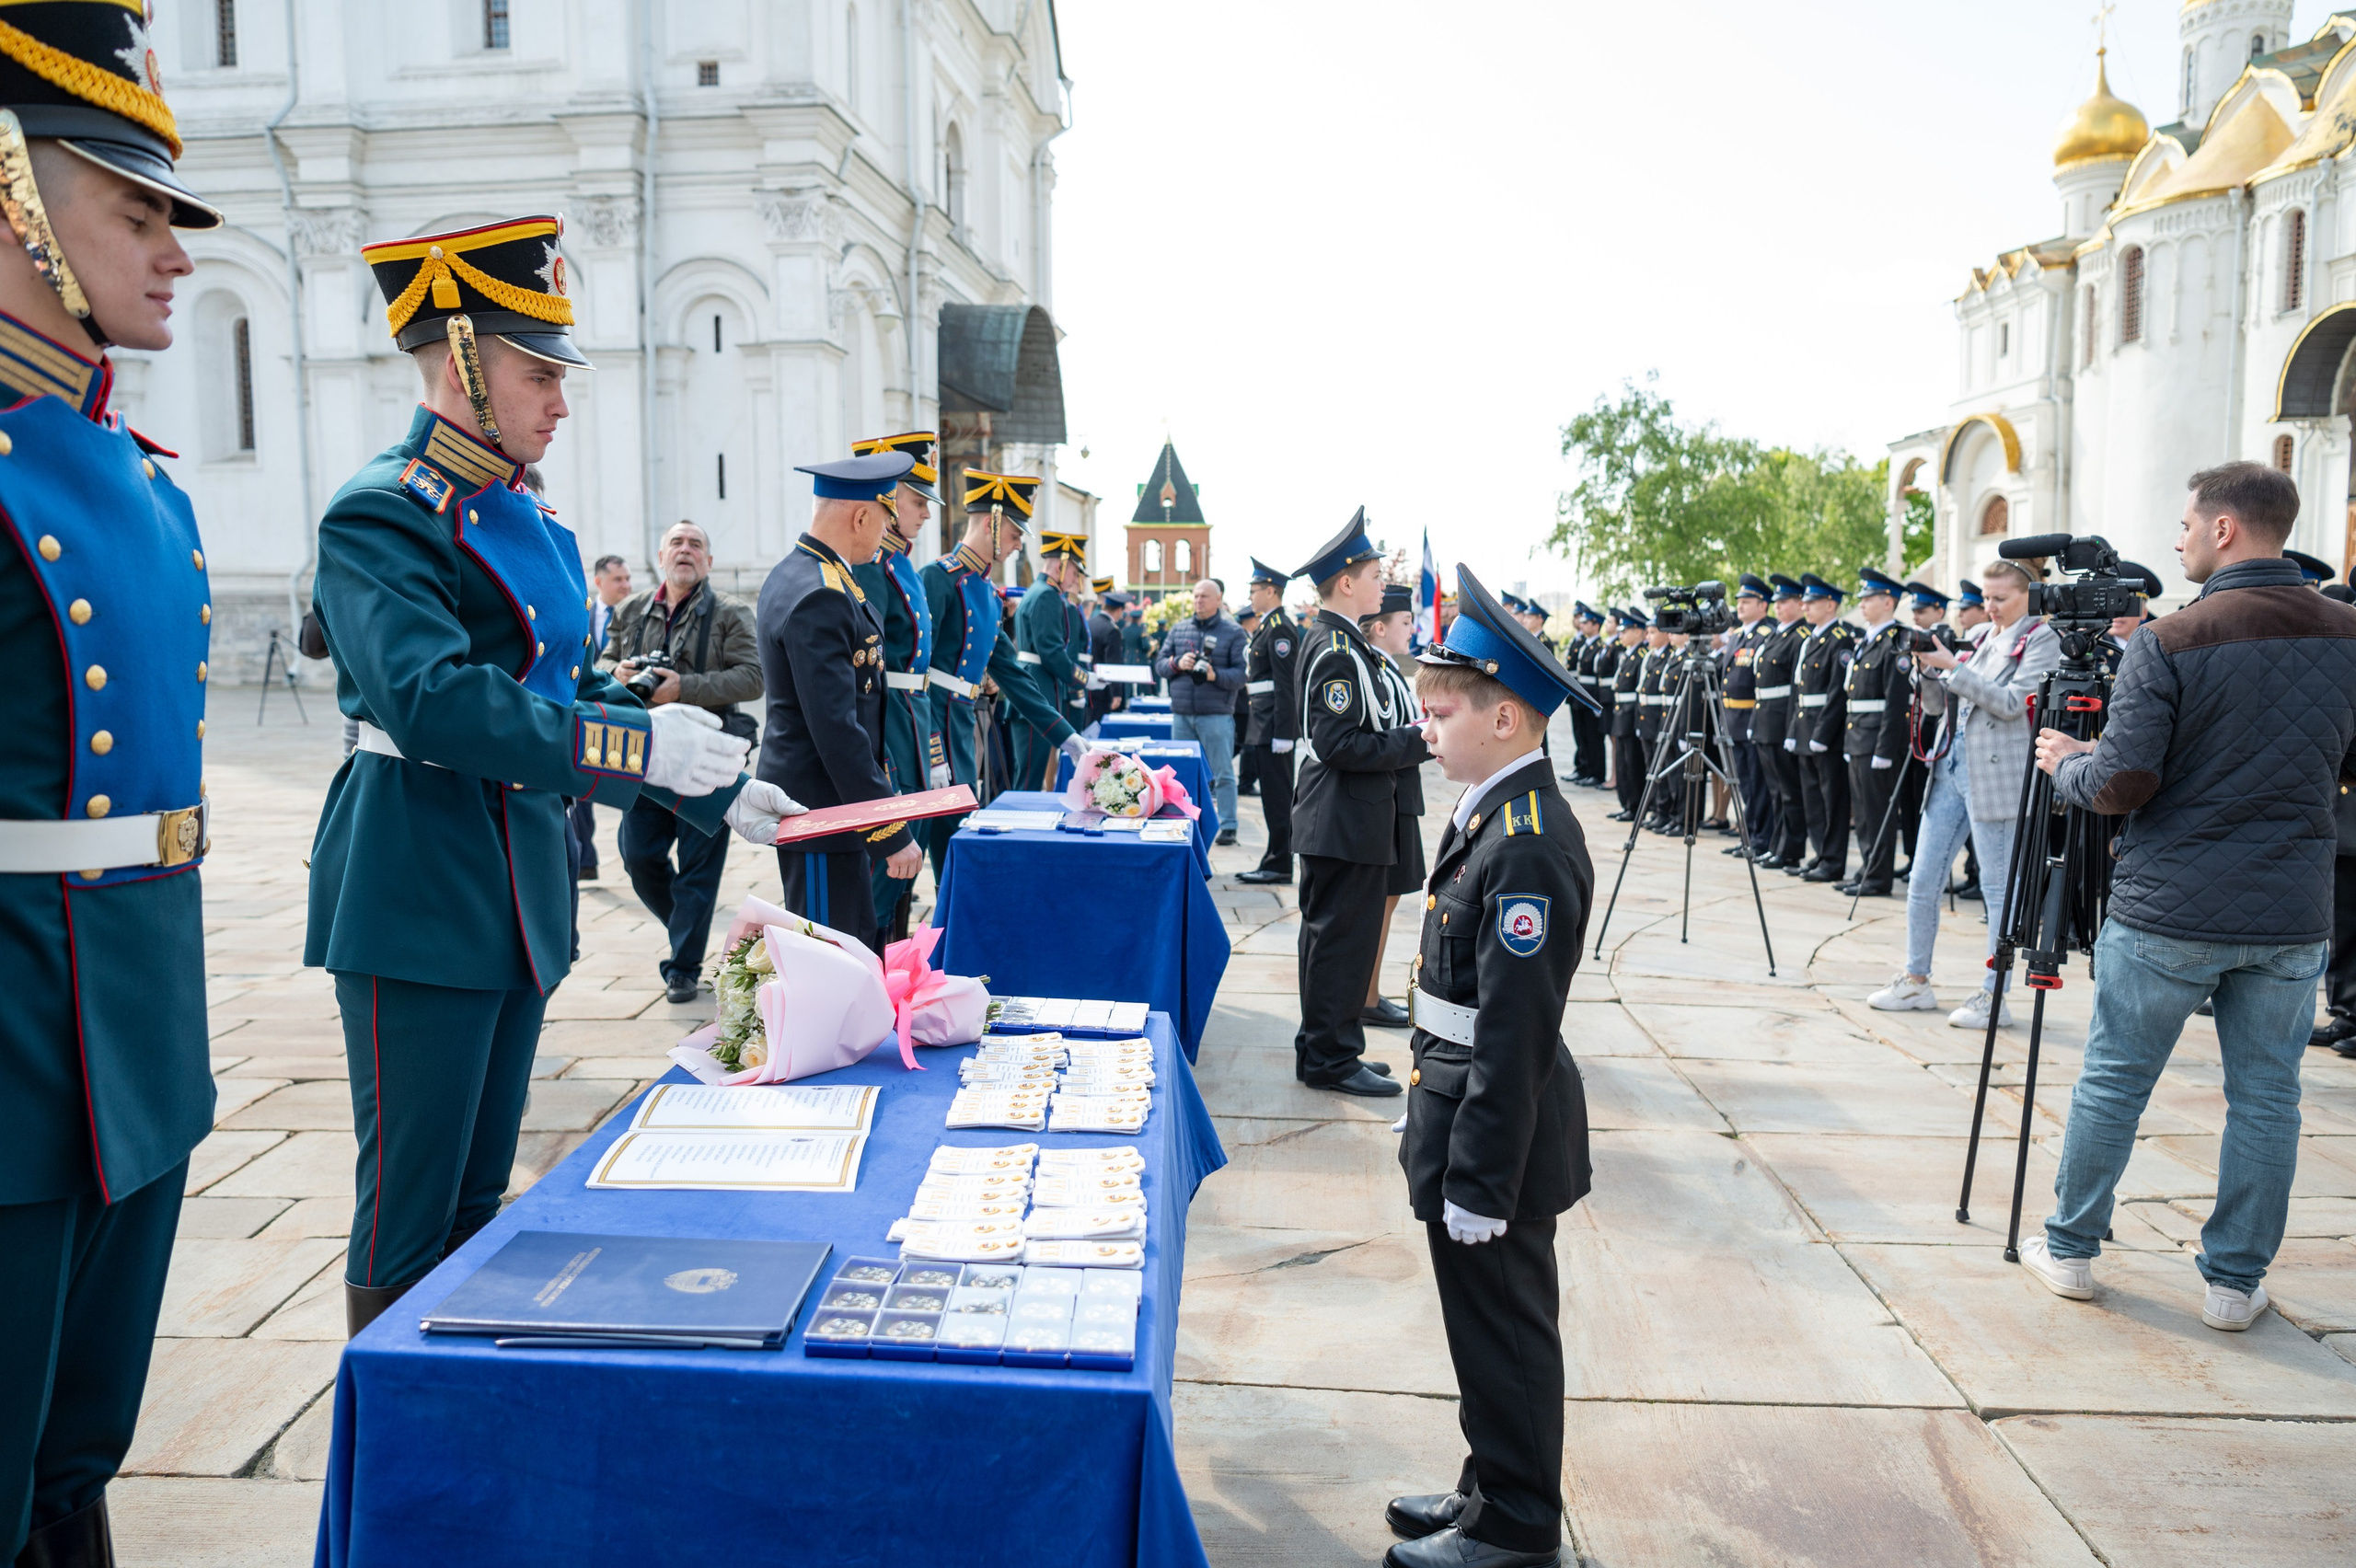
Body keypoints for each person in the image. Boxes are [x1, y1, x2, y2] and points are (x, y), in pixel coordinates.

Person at [312, 216, 793, 1340]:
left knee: (480, 1193)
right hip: (418, 877)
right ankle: (391, 1422)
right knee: (410, 1200)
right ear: (464, 362)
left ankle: (460, 1395)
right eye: (540, 373)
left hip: (515, 881)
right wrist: (634, 754)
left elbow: (569, 692)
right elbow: (429, 702)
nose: (562, 400)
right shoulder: (383, 510)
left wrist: (718, 786)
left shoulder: (524, 513)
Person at [0, 30, 224, 1561]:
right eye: (134, 216)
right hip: (11, 1035)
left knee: (77, 1462)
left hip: (134, 1018)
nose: (173, 258)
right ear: (14, 197)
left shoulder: (140, 475)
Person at [2024, 462, 2356, 1332]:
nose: (2175, 540)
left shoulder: (2170, 640)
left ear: (2224, 530)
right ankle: (2234, 1284)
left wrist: (2066, 765)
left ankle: (2070, 1252)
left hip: (2172, 907)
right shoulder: (2350, 633)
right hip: (2288, 912)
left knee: (2114, 1083)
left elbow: (2123, 782)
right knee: (2267, 1097)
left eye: (2184, 524)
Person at [1386, 565, 1591, 1568]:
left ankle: (1516, 1528)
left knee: (1507, 1335)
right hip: (1460, 1110)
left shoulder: (1529, 844)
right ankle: (1485, 1488)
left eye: (1439, 715)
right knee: (1481, 1334)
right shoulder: (1487, 813)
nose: (1426, 730)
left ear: (1503, 719)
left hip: (1494, 1138)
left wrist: (1477, 1175)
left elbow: (1514, 1033)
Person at [1865, 558, 2057, 1024]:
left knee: (1997, 889)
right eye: (1985, 598)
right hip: (1951, 766)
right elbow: (1938, 708)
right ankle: (1915, 981)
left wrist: (1953, 667)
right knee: (1922, 878)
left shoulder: (2041, 638)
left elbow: (2014, 704)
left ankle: (1995, 995)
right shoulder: (1980, 637)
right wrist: (1929, 672)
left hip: (1996, 775)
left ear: (2027, 597)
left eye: (1999, 599)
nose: (1988, 607)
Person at [756, 454, 934, 951]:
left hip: (832, 807)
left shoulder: (803, 573)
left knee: (851, 948)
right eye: (883, 520)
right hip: (822, 809)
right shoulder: (822, 593)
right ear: (861, 516)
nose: (884, 535)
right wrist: (890, 829)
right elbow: (837, 729)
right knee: (829, 958)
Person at [600, 520, 764, 1001]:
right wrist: (618, 671)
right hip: (648, 756)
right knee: (639, 856)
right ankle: (686, 928)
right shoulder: (631, 610)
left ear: (708, 561)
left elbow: (753, 679)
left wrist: (683, 687)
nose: (686, 550)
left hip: (709, 756)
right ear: (661, 555)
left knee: (699, 866)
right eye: (677, 543)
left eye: (696, 545)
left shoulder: (732, 612)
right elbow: (599, 667)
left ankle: (684, 967)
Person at [1290, 511, 1423, 1097]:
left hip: (1350, 818)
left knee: (1339, 941)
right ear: (1346, 583)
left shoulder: (1348, 644)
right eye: (1373, 574)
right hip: (1342, 817)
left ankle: (1334, 1050)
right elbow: (1337, 743)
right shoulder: (1335, 650)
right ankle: (1328, 1059)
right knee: (1339, 944)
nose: (1380, 583)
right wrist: (1420, 740)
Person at [919, 474, 1083, 877]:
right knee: (905, 866)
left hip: (959, 728)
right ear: (991, 522)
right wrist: (932, 748)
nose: (1016, 544)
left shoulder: (989, 595)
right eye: (1012, 532)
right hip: (930, 731)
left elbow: (1014, 676)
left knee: (953, 856)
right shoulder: (939, 578)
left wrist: (1068, 737)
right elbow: (916, 674)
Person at [848, 431, 947, 942]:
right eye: (916, 501)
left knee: (908, 862)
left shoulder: (900, 563)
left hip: (915, 719)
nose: (926, 514)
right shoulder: (870, 566)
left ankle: (890, 961)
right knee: (884, 869)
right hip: (890, 726)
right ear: (886, 499)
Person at [1359, 582, 1426, 1027]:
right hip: (1390, 793)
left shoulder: (1389, 671)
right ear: (1380, 628)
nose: (1413, 628)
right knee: (1377, 901)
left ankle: (1369, 992)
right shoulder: (1377, 672)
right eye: (1405, 622)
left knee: (1391, 896)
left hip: (1402, 794)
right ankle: (1364, 996)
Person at [1156, 576, 1247, 843]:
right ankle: (1182, 818)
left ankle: (1228, 825)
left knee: (1222, 773)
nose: (1198, 601)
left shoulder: (1234, 632)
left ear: (1218, 599)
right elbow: (1159, 665)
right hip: (1182, 714)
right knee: (1181, 772)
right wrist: (1176, 663)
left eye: (1204, 596)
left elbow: (1241, 676)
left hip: (1216, 714)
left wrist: (1213, 675)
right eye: (1195, 596)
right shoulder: (1179, 629)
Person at [1838, 568, 1910, 898]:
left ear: (1887, 601)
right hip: (1858, 737)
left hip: (1875, 742)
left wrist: (1884, 750)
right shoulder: (1869, 641)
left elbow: (1894, 704)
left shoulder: (1895, 640)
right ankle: (1867, 869)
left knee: (1878, 811)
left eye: (1869, 598)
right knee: (1864, 813)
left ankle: (1878, 877)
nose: (1862, 604)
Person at [1240, 559, 1303, 883]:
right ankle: (1272, 858)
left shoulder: (1280, 627)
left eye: (1254, 590)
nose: (1250, 596)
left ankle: (1279, 864)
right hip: (1262, 724)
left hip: (1272, 728)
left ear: (1270, 590)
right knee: (1271, 799)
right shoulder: (1268, 624)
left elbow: (1286, 684)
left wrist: (1284, 733)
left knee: (1278, 799)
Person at [572, 552, 634, 882]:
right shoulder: (582, 614)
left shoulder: (638, 614)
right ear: (599, 582)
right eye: (618, 580)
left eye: (628, 579)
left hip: (622, 716)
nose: (626, 585)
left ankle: (630, 851)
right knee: (580, 795)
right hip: (586, 716)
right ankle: (586, 858)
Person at [1014, 532, 1094, 790]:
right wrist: (1084, 678)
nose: (1075, 579)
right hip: (1038, 688)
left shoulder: (1038, 591)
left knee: (1030, 772)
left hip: (1035, 685)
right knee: (1029, 776)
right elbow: (1051, 651)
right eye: (1074, 572)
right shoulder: (1047, 595)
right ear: (1060, 566)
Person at [1791, 573, 1854, 882]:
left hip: (1826, 734)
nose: (1805, 606)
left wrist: (1821, 734)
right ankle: (1820, 854)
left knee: (1833, 801)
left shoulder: (1839, 639)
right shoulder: (1810, 640)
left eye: (1812, 601)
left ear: (1831, 604)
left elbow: (1836, 692)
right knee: (1813, 799)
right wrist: (1794, 731)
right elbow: (1799, 692)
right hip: (1806, 728)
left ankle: (1833, 861)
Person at [1750, 575, 1808, 870]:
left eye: (1784, 602)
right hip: (1765, 721)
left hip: (1782, 722)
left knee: (1789, 792)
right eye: (1777, 602)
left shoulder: (1800, 637)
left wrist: (1790, 728)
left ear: (1800, 604)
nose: (1778, 607)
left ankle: (1790, 849)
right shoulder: (1775, 634)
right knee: (1775, 791)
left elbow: (1795, 689)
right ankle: (1776, 844)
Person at [1718, 576, 1776, 859]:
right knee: (1744, 785)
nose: (1739, 606)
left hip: (1752, 719)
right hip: (1733, 719)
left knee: (1757, 786)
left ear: (1763, 605)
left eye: (1746, 602)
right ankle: (1749, 835)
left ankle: (1761, 839)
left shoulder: (1765, 635)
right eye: (1738, 601)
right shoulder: (1738, 636)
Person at [1606, 608, 1649, 820]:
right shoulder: (1628, 655)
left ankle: (1635, 805)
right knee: (1622, 763)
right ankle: (1626, 803)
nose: (1621, 635)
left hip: (1632, 715)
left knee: (1633, 763)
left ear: (1639, 632)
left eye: (1625, 631)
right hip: (1620, 713)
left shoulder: (1641, 656)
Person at [1577, 606, 1620, 790]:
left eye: (1610, 622)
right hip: (1601, 696)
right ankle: (1608, 776)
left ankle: (1611, 777)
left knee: (1610, 740)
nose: (1607, 625)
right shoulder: (1606, 646)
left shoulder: (1615, 647)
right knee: (1602, 738)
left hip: (1608, 698)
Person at [1087, 577, 1124, 726]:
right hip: (1104, 690)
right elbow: (1113, 664)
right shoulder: (1111, 630)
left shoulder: (1090, 623)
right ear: (1119, 610)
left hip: (1089, 685)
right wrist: (1117, 693)